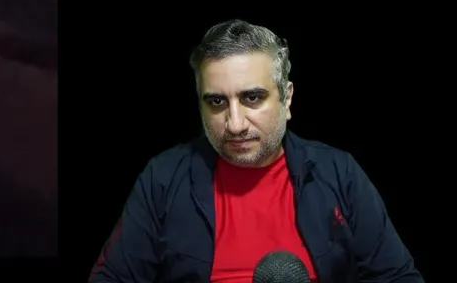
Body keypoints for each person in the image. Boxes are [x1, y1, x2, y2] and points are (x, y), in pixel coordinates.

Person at [90, 20, 421, 282]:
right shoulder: (162, 179)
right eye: (217, 102)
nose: (235, 124)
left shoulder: (339, 172)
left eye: (252, 98)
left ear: (286, 99)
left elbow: (398, 277)